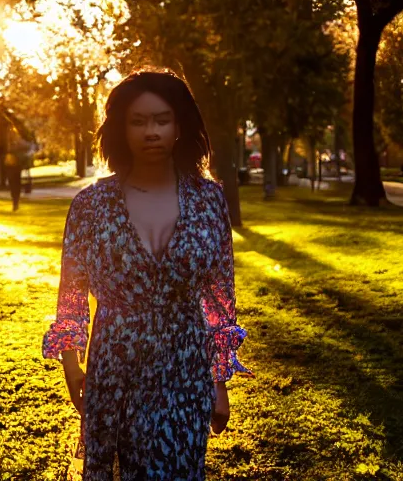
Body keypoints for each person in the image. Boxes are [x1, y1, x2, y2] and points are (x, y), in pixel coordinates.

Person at [42, 69, 253, 480]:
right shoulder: (91, 205)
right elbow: (71, 295)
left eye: (162, 119)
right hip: (116, 365)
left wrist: (219, 384)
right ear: (121, 129)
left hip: (186, 366)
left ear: (179, 126)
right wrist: (72, 367)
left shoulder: (209, 200)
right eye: (138, 121)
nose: (151, 131)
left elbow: (218, 299)